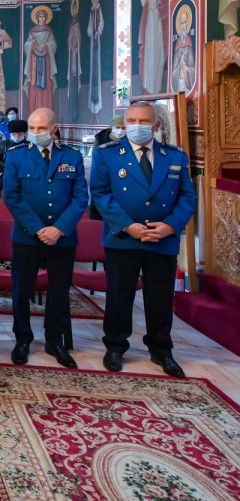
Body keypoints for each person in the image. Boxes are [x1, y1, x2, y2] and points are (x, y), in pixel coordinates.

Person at [91, 100, 197, 377]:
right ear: (124, 125)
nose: (136, 127)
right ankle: (115, 346)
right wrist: (128, 226)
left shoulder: (175, 156)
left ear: (157, 125)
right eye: (131, 122)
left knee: (160, 297)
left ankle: (161, 349)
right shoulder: (108, 154)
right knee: (119, 295)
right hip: (123, 238)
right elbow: (101, 194)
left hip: (162, 238)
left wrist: (171, 226)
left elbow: (187, 196)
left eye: (143, 121)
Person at [2, 108, 88, 368]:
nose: (35, 133)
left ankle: (55, 340)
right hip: (28, 236)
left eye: (41, 128)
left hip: (62, 238)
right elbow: (12, 196)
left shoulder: (71, 156)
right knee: (22, 290)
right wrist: (38, 228)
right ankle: (23, 340)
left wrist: (59, 229)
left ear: (53, 128)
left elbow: (80, 197)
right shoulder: (17, 156)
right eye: (32, 128)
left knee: (59, 292)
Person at [0, 118, 28, 196]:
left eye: (19, 134)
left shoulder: (30, 146)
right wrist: (10, 165)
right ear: (10, 133)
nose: (17, 136)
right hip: (4, 183)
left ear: (24, 133)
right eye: (14, 134)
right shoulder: (2, 145)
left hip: (26, 184)